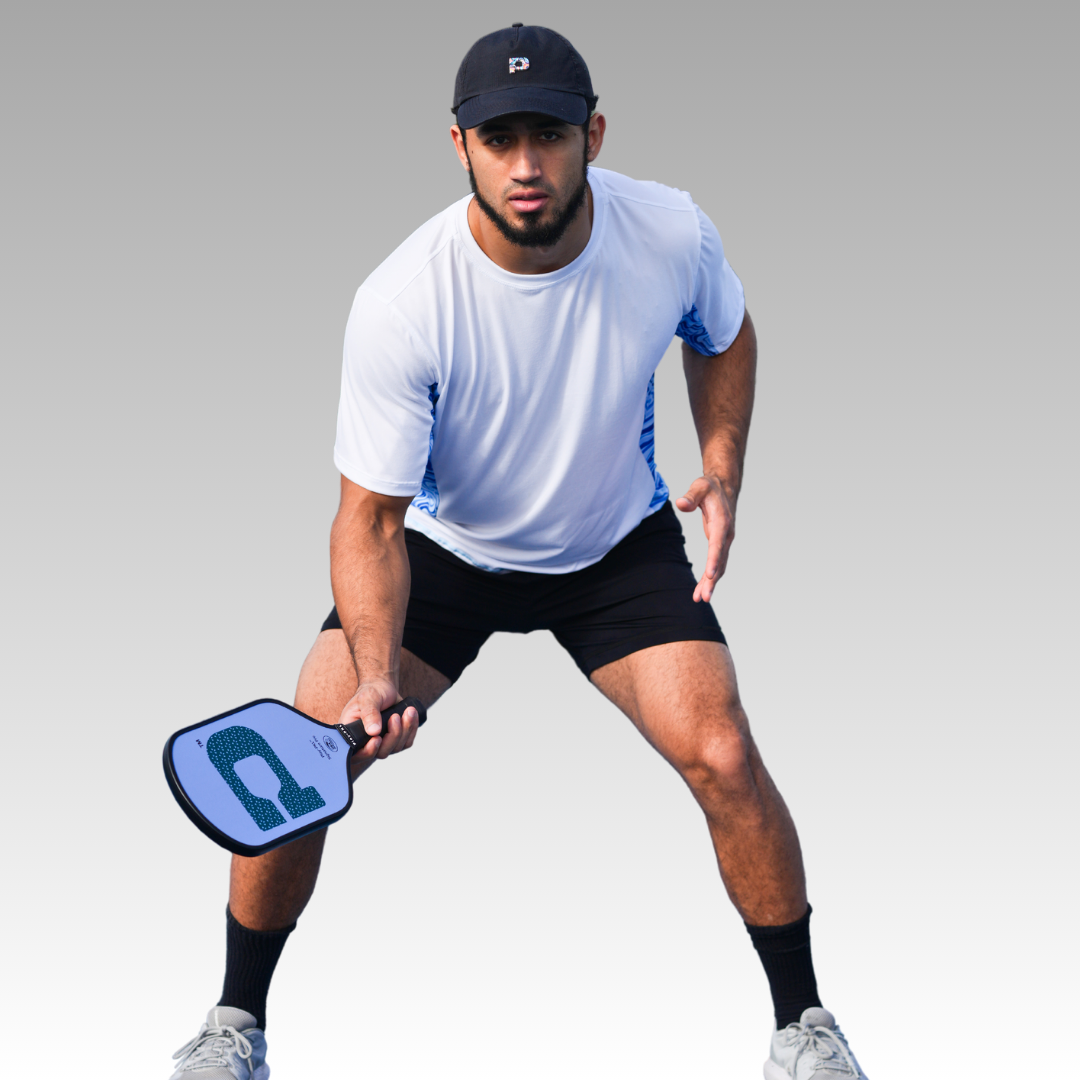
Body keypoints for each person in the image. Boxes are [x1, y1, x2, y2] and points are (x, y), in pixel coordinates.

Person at [169, 24, 868, 1080]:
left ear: (593, 135)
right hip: (446, 556)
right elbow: (367, 521)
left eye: (548, 134)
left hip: (616, 545)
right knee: (298, 760)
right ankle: (234, 1027)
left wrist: (721, 465)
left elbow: (724, 333)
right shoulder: (405, 303)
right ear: (459, 146)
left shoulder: (670, 231)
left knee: (723, 756)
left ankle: (805, 1026)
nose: (527, 165)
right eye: (501, 140)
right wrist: (371, 676)